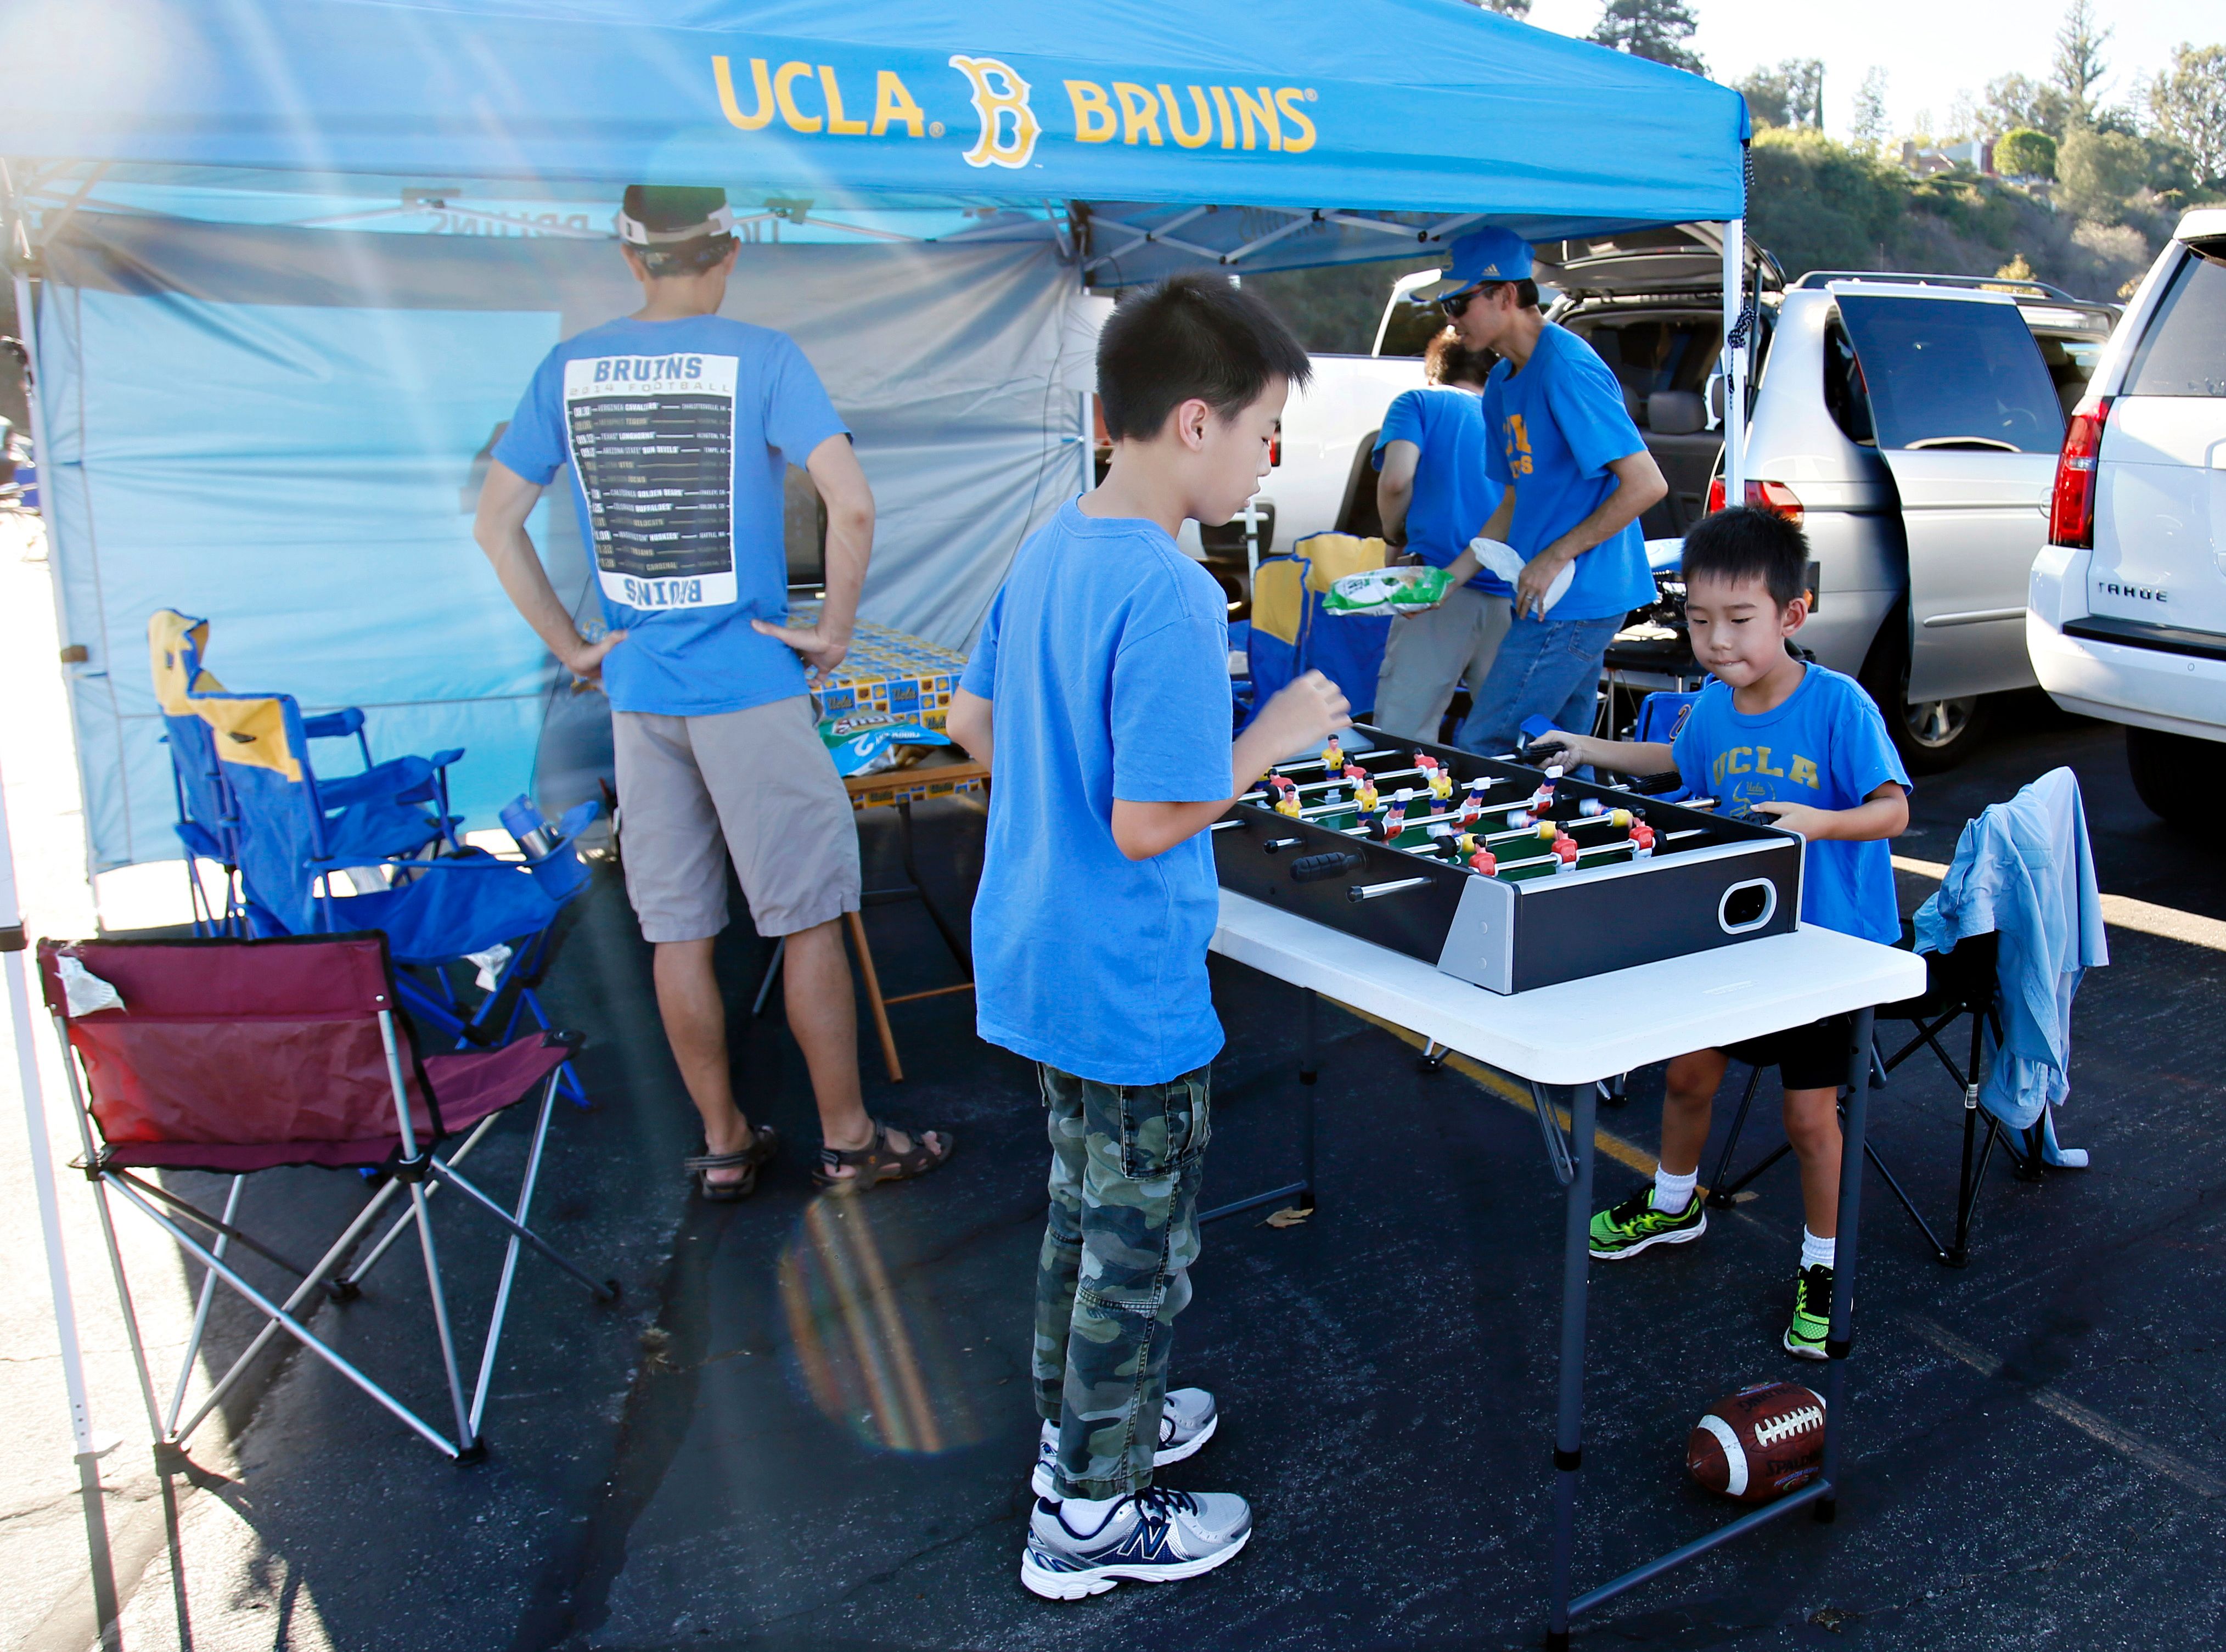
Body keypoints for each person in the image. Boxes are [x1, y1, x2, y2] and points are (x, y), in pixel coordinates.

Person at [943, 273, 1349, 1600]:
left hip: (1041, 960)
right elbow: (1150, 819)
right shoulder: (1176, 593)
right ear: (1191, 422)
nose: (1266, 456)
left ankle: (1085, 1433)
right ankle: (1092, 1519)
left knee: (1082, 1215)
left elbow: (974, 725)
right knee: (1137, 1248)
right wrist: (1273, 738)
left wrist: (1060, 782)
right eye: (1261, 430)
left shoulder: (1052, 544)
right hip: (1125, 982)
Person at [474, 185, 951, 1204]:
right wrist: (833, 631)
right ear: (726, 251)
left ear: (630, 259)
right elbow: (852, 502)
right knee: (808, 920)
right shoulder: (764, 358)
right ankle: (848, 1140)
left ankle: (726, 1141)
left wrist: (573, 644)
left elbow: (495, 524)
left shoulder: (569, 368)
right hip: (749, 686)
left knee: (677, 930)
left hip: (640, 692)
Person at [1526, 507, 1910, 1358]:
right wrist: (1583, 745)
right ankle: (1673, 1204)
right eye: (1699, 621)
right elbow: (1674, 762)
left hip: (1826, 952)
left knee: (1810, 1120)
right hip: (1741, 936)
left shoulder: (1839, 706)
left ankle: (1823, 1260)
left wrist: (1818, 820)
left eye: (1739, 620)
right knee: (1690, 1073)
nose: (1715, 639)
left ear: (1793, 614)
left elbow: (1895, 807)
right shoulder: (1713, 705)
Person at [1423, 227, 1668, 756]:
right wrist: (1449, 579)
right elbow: (1515, 500)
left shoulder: (1567, 367)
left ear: (1506, 295)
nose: (1450, 318)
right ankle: (1598, 837)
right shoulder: (1502, 386)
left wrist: (1555, 556)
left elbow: (1647, 484)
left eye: (1459, 302)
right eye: (1445, 305)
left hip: (1577, 593)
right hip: (1547, 594)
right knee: (1561, 749)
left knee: (1491, 742)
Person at [1367, 327, 1507, 742]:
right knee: (1502, 739)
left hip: (1433, 587)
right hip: (1507, 589)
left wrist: (1394, 536)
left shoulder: (1418, 403)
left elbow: (1396, 480)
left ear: (1433, 374)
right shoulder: (1508, 420)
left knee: (1403, 734)